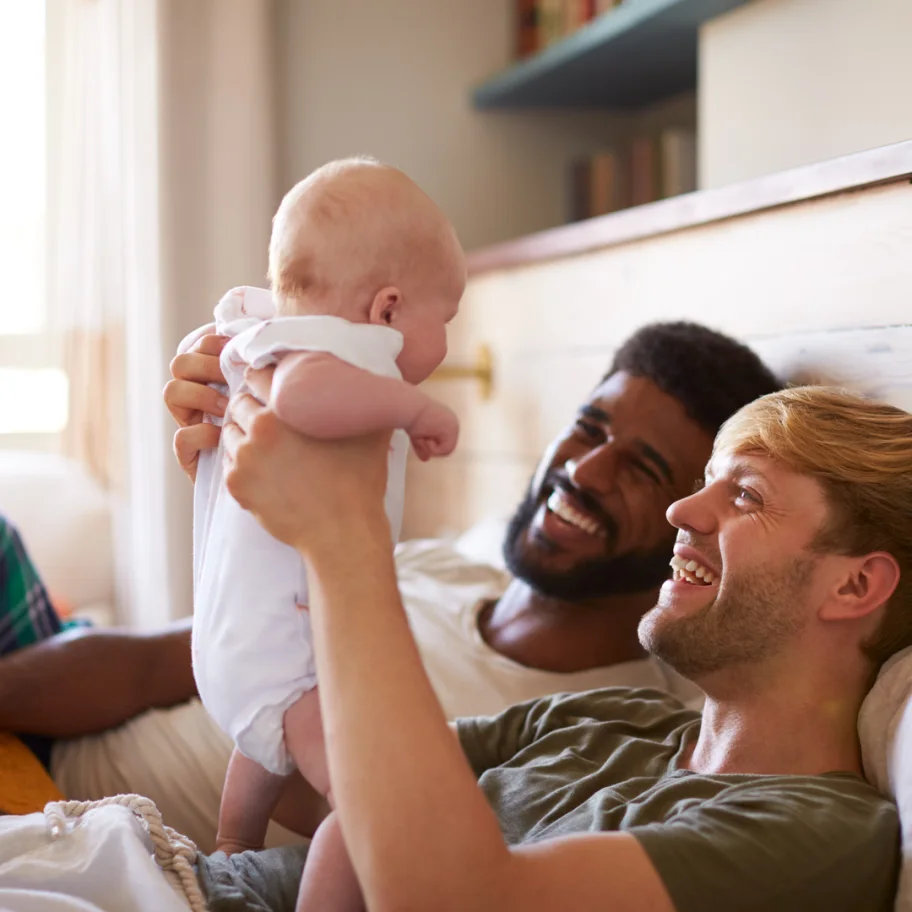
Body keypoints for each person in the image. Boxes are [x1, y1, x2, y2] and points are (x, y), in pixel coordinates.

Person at [0, 321, 779, 852]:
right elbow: (154, 661)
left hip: (66, 822)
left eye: (642, 468)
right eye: (590, 427)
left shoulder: (612, 725)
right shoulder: (434, 565)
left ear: (692, 518)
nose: (584, 469)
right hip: (33, 731)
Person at [198, 384, 909, 911]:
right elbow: (325, 780)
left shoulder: (819, 836)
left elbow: (455, 899)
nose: (682, 512)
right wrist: (247, 511)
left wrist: (342, 542)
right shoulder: (616, 719)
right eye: (704, 485)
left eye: (746, 496)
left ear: (855, 587)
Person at [193, 159, 464, 912]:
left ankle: (232, 849)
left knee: (272, 740)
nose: (445, 345)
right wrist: (413, 410)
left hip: (250, 647)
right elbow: (306, 396)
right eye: (446, 320)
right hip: (278, 642)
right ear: (386, 310)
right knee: (365, 802)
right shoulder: (338, 355)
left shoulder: (270, 332)